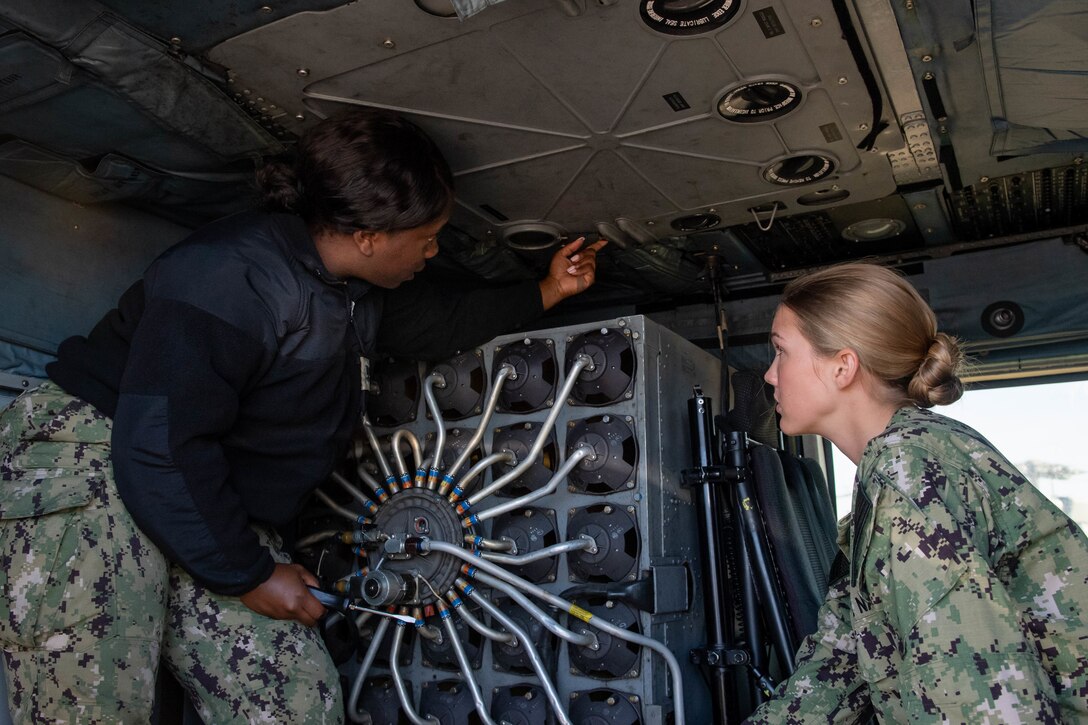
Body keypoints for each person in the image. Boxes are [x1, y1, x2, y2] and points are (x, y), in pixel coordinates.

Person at [0, 109, 605, 723]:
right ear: (368, 234)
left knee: (292, 702)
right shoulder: (226, 277)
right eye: (427, 235)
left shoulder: (352, 289)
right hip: (96, 458)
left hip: (205, 490)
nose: (434, 249)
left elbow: (435, 325)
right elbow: (157, 445)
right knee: (87, 703)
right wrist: (249, 573)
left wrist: (549, 290)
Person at [746, 262, 1088, 723]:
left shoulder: (909, 471)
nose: (770, 375)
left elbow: (978, 700)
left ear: (843, 367)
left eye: (782, 352)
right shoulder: (895, 467)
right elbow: (838, 665)